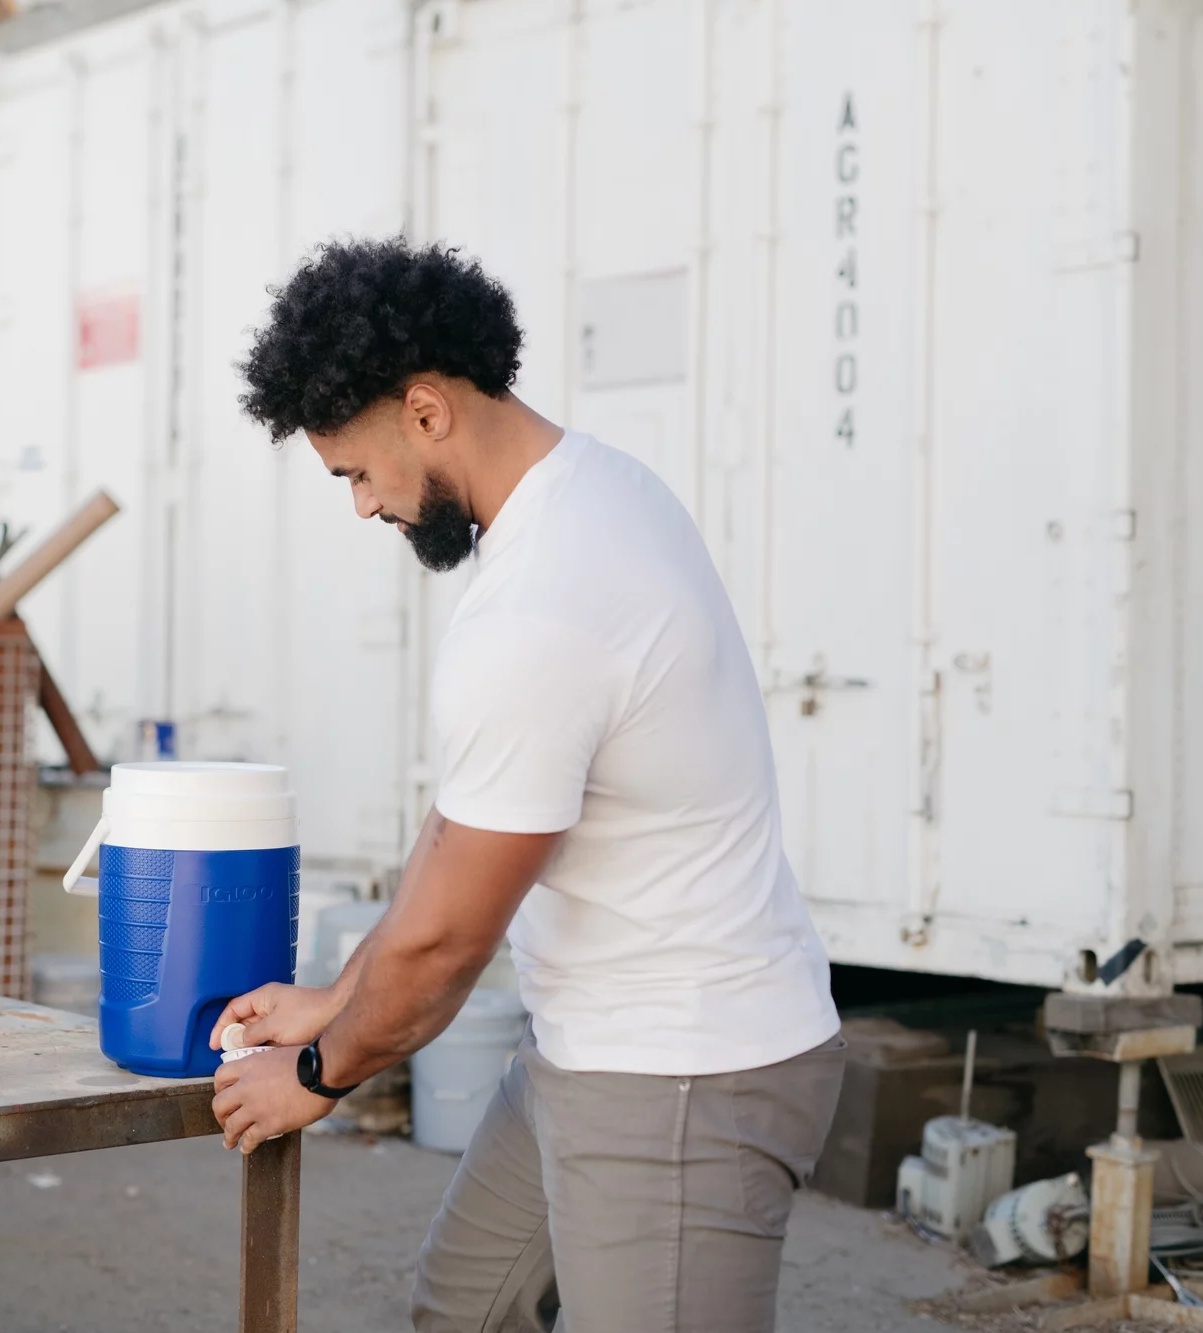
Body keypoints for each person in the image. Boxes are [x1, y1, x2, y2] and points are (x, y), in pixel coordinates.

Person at [210, 237, 845, 1333]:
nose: (360, 507)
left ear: (424, 409)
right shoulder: (589, 489)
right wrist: (337, 991)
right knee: (462, 1312)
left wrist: (316, 1069)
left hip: (682, 1071)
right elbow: (460, 834)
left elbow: (447, 945)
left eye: (354, 472)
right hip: (585, 1046)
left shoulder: (543, 604)